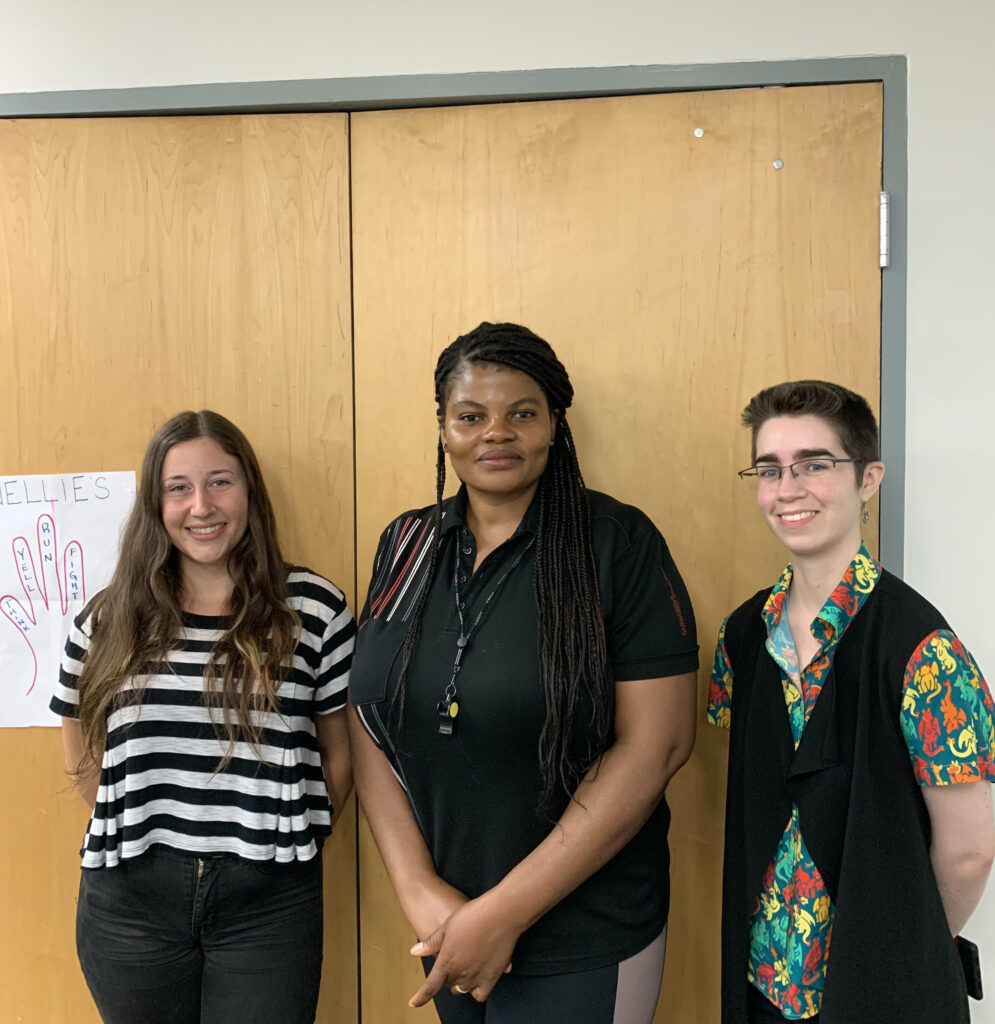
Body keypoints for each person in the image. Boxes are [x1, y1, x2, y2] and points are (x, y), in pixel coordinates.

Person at [348, 322, 699, 1024]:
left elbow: (656, 744)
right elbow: (367, 715)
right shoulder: (407, 542)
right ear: (444, 428)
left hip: (583, 931)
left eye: (521, 414)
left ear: (552, 426)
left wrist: (502, 913)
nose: (494, 433)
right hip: (449, 922)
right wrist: (419, 889)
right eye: (470, 415)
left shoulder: (617, 545)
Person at [50, 410, 355, 1024]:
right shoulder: (109, 619)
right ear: (155, 504)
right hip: (130, 898)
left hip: (269, 900)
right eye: (178, 487)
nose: (201, 506)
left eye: (220, 481)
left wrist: (287, 833)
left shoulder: (314, 611)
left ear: (249, 492)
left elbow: (340, 755)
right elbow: (82, 752)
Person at [708, 380, 995, 1024]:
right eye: (770, 469)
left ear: (868, 479)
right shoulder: (743, 637)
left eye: (814, 464)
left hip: (884, 989)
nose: (788, 488)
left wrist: (898, 948)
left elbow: (971, 849)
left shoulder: (923, 649)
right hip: (764, 986)